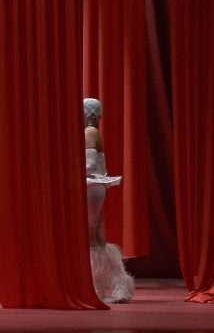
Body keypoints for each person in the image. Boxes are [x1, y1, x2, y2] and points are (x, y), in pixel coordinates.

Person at [83, 98, 134, 303]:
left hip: (90, 188)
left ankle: (97, 288)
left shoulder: (89, 133)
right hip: (95, 188)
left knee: (91, 239)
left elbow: (89, 165)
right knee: (97, 238)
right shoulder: (94, 132)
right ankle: (117, 286)